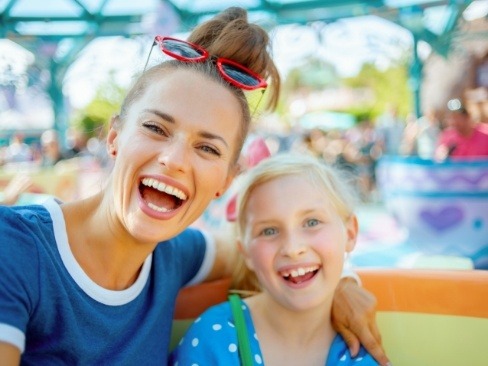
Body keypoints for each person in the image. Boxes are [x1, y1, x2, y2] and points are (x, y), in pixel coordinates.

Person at [0, 7, 386, 365]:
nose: (176, 160)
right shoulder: (15, 248)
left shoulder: (171, 257)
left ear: (226, 180)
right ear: (115, 137)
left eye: (207, 147)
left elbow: (261, 249)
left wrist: (343, 280)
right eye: (155, 128)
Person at [170, 153, 379, 365]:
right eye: (269, 231)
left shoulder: (362, 348)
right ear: (246, 253)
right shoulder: (215, 339)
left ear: (350, 233)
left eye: (312, 222)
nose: (292, 248)